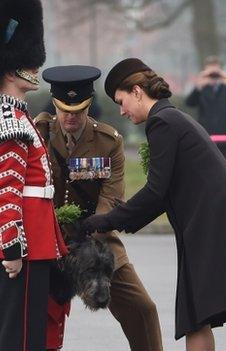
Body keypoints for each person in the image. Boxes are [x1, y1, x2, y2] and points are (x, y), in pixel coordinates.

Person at [80, 58, 226, 351]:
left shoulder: (162, 123)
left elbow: (156, 191)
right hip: (216, 220)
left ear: (137, 92)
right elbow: (166, 191)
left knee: (195, 316)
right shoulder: (171, 117)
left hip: (213, 222)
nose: (121, 111)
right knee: (197, 315)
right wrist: (123, 218)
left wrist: (106, 220)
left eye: (122, 101)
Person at [34, 65, 163, 351]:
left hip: (96, 236)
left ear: (88, 105)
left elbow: (112, 196)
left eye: (78, 110)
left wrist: (94, 230)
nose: (70, 116)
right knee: (31, 312)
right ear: (54, 104)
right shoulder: (37, 134)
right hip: (46, 237)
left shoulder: (108, 142)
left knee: (142, 308)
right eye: (64, 109)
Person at [0, 0, 68, 350]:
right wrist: (12, 247)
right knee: (18, 338)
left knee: (28, 335)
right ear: (11, 71)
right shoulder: (10, 122)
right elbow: (3, 190)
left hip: (33, 243)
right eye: (28, 64)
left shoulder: (16, 117)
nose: (35, 69)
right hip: (23, 247)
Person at [185, 56, 226, 158]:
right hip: (206, 136)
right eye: (210, 72)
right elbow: (189, 103)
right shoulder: (202, 88)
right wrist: (198, 87)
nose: (213, 75)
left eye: (216, 72)